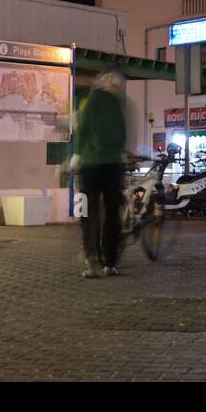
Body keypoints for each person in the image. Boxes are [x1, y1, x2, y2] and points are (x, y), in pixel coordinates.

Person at [75, 71, 128, 279]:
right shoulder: (117, 104)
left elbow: (83, 128)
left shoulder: (93, 99)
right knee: (113, 214)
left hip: (91, 165)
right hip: (114, 165)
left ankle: (92, 261)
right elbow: (123, 133)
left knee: (89, 213)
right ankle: (110, 262)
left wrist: (78, 154)